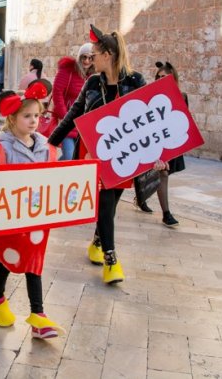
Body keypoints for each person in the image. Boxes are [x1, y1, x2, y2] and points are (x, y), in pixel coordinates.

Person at [49, 25, 171, 284]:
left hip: (125, 156)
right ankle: (111, 260)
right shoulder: (93, 82)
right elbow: (73, 114)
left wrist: (159, 155)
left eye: (94, 54)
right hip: (95, 153)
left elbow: (150, 121)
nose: (90, 59)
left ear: (108, 55)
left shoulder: (135, 81)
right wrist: (51, 143)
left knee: (111, 204)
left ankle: (97, 241)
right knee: (105, 202)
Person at [0, 81, 65, 340]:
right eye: (27, 116)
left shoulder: (46, 147)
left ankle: (38, 315)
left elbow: (59, 177)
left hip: (36, 220)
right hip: (10, 219)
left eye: (37, 116)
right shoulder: (1, 149)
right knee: (7, 261)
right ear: (12, 119)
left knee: (33, 263)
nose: (33, 121)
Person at [135, 61, 186, 227]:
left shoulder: (182, 96)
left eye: (164, 77)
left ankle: (143, 199)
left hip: (168, 141)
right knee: (158, 173)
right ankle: (166, 213)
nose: (160, 80)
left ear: (173, 78)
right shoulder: (150, 96)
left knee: (162, 173)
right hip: (152, 141)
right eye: (158, 77)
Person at [52, 43, 94, 160]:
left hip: (84, 124)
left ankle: (55, 168)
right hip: (68, 121)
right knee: (69, 156)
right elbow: (57, 93)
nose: (86, 61)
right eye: (84, 57)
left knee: (76, 158)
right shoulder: (68, 71)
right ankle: (53, 170)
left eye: (90, 58)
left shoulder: (94, 75)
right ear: (79, 57)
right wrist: (65, 116)